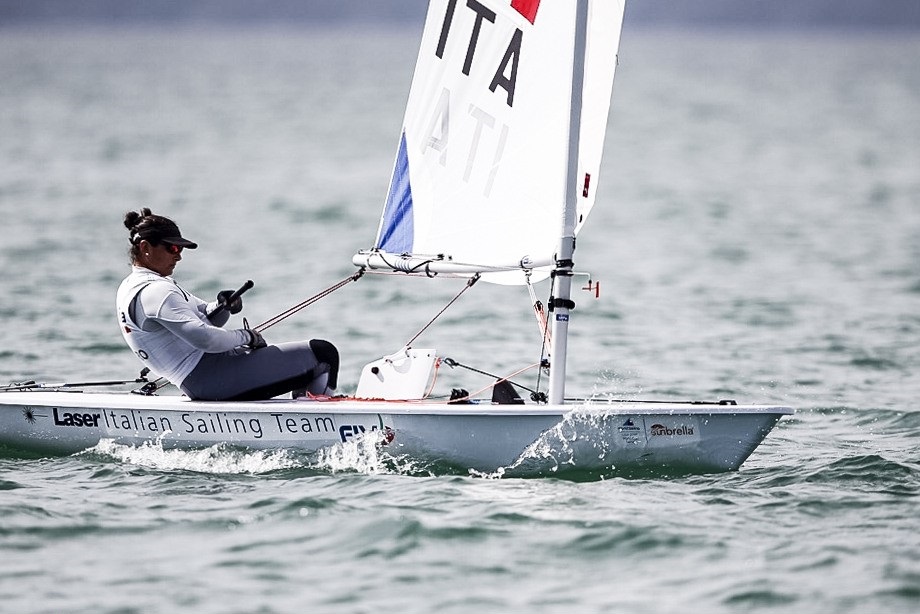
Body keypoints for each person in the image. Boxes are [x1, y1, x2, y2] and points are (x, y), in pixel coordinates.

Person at [116, 208, 338, 401]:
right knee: (323, 354)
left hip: (205, 377)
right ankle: (318, 423)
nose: (179, 256)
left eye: (180, 250)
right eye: (173, 249)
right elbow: (206, 338)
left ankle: (304, 415)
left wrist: (223, 306)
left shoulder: (133, 287)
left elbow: (204, 319)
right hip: (214, 378)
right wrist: (247, 337)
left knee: (309, 359)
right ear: (145, 248)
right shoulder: (156, 292)